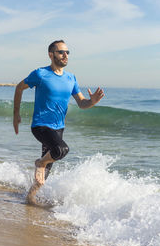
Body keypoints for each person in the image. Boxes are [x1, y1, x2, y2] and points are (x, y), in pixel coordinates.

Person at [13, 40, 105, 204]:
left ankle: (30, 197)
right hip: (40, 125)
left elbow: (82, 103)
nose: (65, 55)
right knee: (61, 149)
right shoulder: (40, 74)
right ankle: (39, 162)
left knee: (46, 171)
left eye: (67, 52)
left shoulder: (71, 78)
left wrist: (92, 102)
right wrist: (16, 114)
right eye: (61, 52)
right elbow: (19, 88)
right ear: (51, 54)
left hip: (58, 128)